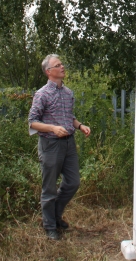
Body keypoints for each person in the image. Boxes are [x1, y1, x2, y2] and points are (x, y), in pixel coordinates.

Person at [28, 54, 91, 240]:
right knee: (49, 187)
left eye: (62, 64)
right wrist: (53, 129)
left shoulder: (68, 93)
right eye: (58, 65)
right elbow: (32, 122)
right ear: (49, 72)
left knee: (73, 182)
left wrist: (79, 126)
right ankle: (50, 226)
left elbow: (68, 117)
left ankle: (54, 215)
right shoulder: (42, 94)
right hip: (50, 144)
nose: (62, 67)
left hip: (69, 144)